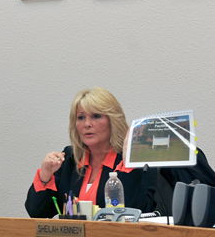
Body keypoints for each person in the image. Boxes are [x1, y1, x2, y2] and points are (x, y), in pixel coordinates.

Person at [25, 88, 154, 218]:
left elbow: (139, 211)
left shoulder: (132, 160)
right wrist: (45, 175)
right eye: (81, 117)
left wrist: (128, 166)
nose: (87, 124)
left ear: (112, 120)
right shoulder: (70, 158)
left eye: (96, 116)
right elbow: (37, 213)